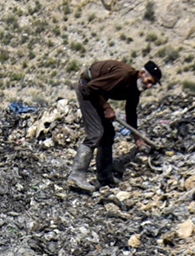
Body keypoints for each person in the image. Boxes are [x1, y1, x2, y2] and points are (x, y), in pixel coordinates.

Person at [67, 59, 162, 192]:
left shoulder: (135, 88)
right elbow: (92, 87)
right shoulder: (124, 75)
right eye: (149, 81)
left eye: (153, 84)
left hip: (97, 94)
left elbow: (131, 112)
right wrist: (107, 108)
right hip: (86, 90)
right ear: (142, 73)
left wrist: (137, 138)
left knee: (108, 133)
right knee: (95, 134)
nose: (150, 86)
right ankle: (76, 175)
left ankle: (105, 177)